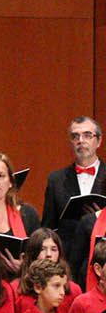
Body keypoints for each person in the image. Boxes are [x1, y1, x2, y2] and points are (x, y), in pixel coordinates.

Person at [41, 116, 106, 279]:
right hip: (67, 264)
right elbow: (48, 226)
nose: (80, 140)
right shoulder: (56, 180)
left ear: (98, 141)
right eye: (75, 136)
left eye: (87, 135)